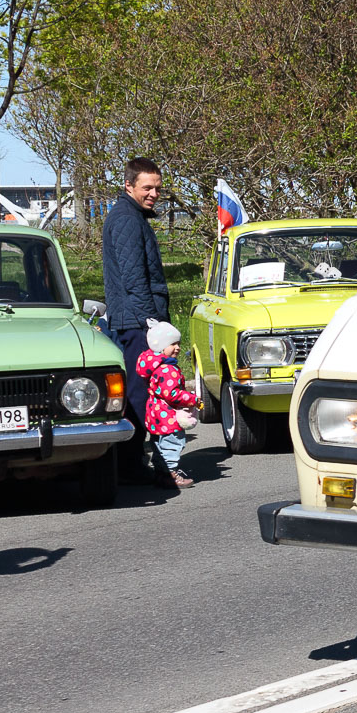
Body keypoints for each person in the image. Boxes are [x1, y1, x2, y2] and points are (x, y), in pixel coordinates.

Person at [101, 157, 169, 482]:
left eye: (157, 187)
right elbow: (134, 280)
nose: (154, 193)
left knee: (136, 394)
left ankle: (132, 465)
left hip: (134, 320)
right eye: (147, 187)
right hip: (137, 323)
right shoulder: (127, 220)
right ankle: (151, 466)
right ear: (129, 185)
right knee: (143, 396)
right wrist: (154, 325)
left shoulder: (132, 215)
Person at [136, 318, 199, 489]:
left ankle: (160, 472)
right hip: (167, 413)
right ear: (160, 346)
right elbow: (171, 394)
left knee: (158, 443)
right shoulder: (167, 369)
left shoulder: (155, 365)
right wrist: (192, 399)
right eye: (172, 344)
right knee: (172, 442)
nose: (177, 348)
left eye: (178, 344)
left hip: (156, 412)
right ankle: (170, 473)